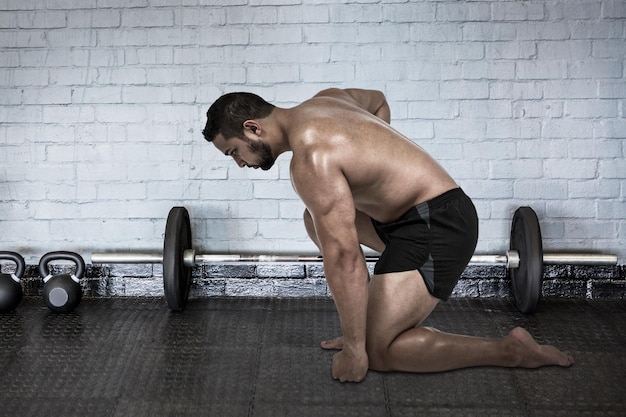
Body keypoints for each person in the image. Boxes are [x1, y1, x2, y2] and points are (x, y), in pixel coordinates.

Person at [202, 88, 574, 383]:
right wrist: (387, 159)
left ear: (253, 128)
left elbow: (346, 258)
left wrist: (355, 349)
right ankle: (369, 324)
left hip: (439, 226)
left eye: (234, 152)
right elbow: (378, 100)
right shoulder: (327, 99)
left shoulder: (311, 158)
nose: (240, 164)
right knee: (313, 219)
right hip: (412, 218)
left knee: (379, 353)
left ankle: (510, 350)